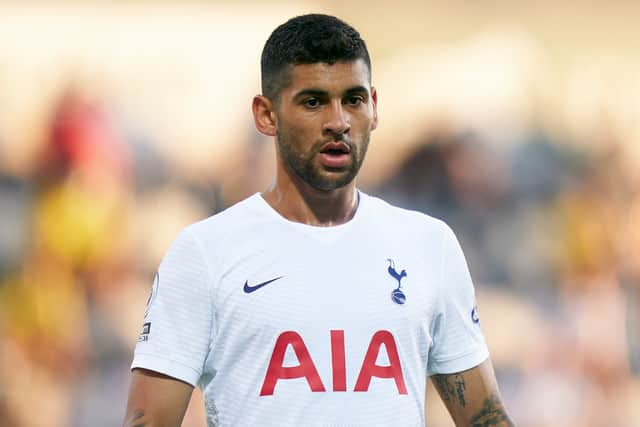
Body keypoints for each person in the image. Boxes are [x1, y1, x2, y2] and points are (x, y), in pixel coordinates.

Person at [124, 14, 514, 427]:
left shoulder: (428, 245)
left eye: (353, 100)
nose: (338, 122)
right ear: (266, 115)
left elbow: (484, 417)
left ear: (374, 107)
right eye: (313, 102)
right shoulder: (205, 253)